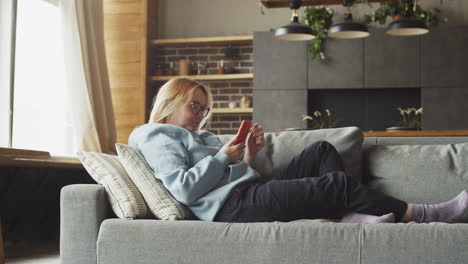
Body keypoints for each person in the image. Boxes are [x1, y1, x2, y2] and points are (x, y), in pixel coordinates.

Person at [129, 77, 468, 224]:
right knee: (335, 185)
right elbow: (185, 188)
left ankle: (350, 213)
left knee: (320, 149)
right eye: (195, 106)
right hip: (231, 207)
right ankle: (426, 213)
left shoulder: (202, 136)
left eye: (205, 109)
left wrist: (248, 155)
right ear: (170, 102)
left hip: (250, 190)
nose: (201, 115)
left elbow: (230, 173)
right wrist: (224, 158)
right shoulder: (155, 134)